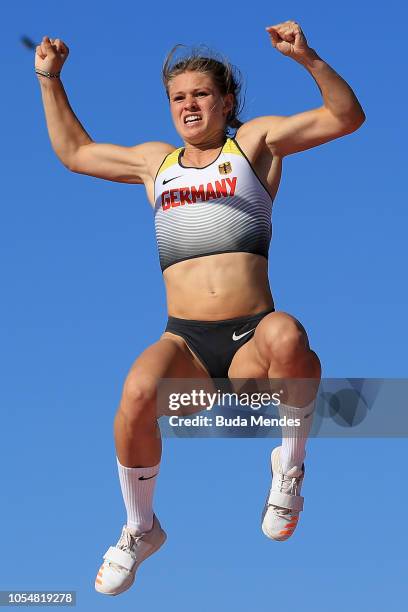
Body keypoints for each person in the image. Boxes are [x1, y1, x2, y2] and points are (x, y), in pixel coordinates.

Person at [35, 21, 365, 596]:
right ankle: (141, 528)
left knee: (288, 333)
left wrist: (308, 58)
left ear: (226, 100)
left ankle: (288, 470)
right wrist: (49, 80)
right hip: (186, 345)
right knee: (137, 394)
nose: (189, 105)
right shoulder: (154, 163)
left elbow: (345, 117)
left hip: (252, 351)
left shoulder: (254, 144)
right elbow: (75, 152)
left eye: (202, 94)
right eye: (178, 97)